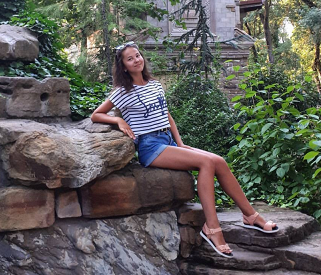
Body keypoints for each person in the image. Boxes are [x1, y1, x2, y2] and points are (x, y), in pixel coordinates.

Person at [91, 41, 278, 258]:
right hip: (150, 147)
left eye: (138, 55)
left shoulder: (154, 84)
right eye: (130, 59)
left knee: (219, 161)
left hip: (167, 141)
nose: (136, 60)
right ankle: (212, 228)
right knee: (206, 163)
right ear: (123, 66)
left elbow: (166, 115)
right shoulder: (123, 91)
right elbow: (96, 114)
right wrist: (118, 121)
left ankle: (250, 216)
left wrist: (180, 143)